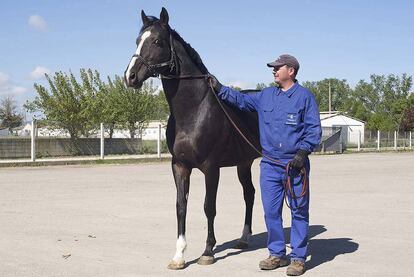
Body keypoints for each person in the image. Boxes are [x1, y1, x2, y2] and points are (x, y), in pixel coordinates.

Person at [209, 54, 322, 276]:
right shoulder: (266, 95)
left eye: (277, 67)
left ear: (291, 70)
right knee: (271, 212)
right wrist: (220, 87)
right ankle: (277, 254)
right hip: (270, 164)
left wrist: (302, 152)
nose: (273, 70)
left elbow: (313, 129)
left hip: (294, 165)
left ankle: (298, 258)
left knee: (299, 211)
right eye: (273, 67)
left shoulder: (304, 98)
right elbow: (240, 100)